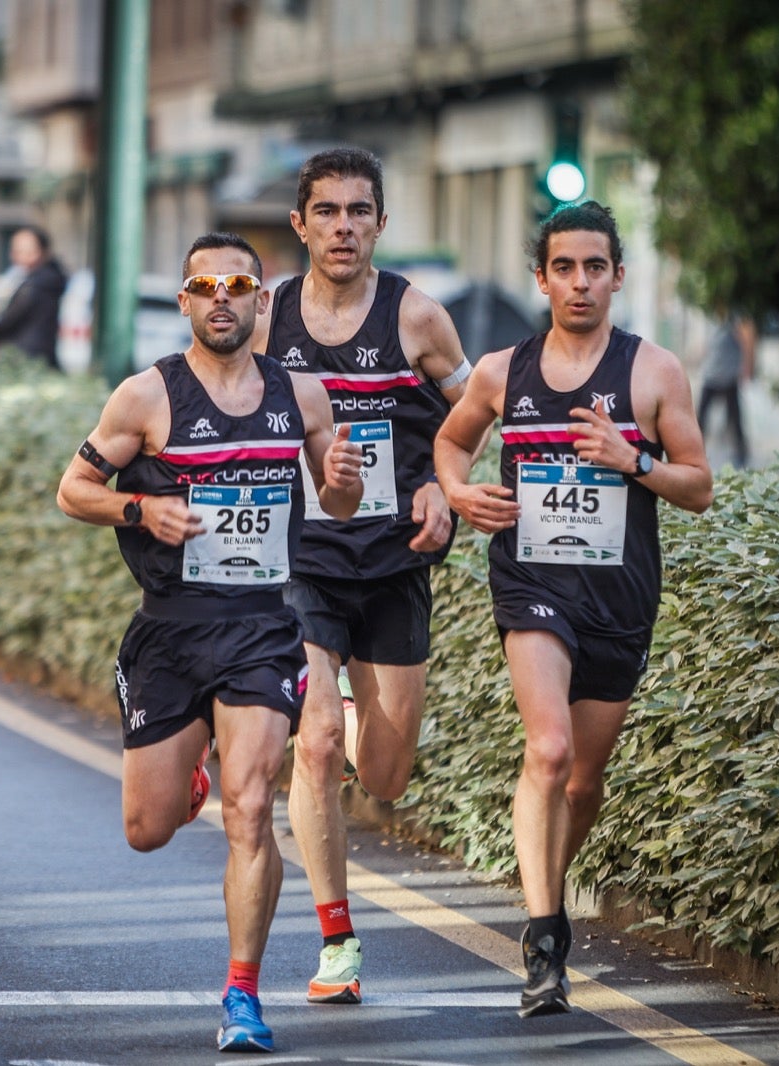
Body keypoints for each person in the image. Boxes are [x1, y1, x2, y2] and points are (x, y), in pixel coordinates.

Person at [56, 232, 364, 1053]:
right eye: (204, 285)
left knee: (252, 806)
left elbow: (338, 502)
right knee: (147, 828)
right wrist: (139, 510)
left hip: (262, 628)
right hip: (170, 630)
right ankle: (186, 773)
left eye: (238, 284)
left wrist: (342, 482)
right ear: (185, 300)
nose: (221, 296)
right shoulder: (146, 398)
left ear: (262, 303)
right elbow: (73, 488)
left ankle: (241, 995)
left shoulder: (302, 397)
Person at [432, 201, 713, 1017]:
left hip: (620, 596)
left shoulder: (653, 373)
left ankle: (547, 884)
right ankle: (546, 937)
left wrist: (636, 461)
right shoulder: (500, 372)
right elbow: (451, 443)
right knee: (547, 751)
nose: (580, 282)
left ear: (618, 276)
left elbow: (698, 487)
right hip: (532, 585)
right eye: (564, 267)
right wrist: (458, 491)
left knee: (583, 783)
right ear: (541, 277)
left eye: (595, 267)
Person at [248, 146, 471, 1006]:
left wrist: (439, 484)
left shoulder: (418, 318)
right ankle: (337, 939)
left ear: (382, 222)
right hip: (301, 559)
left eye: (360, 212)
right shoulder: (266, 319)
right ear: (300, 223)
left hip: (392, 561)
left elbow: (473, 413)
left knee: (384, 773)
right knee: (315, 745)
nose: (344, 227)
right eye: (328, 212)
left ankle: (343, 708)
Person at [0, 225, 67, 369]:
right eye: (15, 251)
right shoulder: (43, 279)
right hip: (36, 357)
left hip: (28, 358)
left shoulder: (40, 283)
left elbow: (12, 317)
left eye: (25, 251)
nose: (16, 256)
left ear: (42, 251)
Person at [695, 312, 755, 468]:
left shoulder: (735, 317)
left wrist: (746, 369)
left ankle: (741, 455)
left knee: (735, 420)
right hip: (711, 375)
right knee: (700, 418)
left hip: (728, 377)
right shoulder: (714, 318)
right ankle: (694, 453)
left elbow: (747, 341)